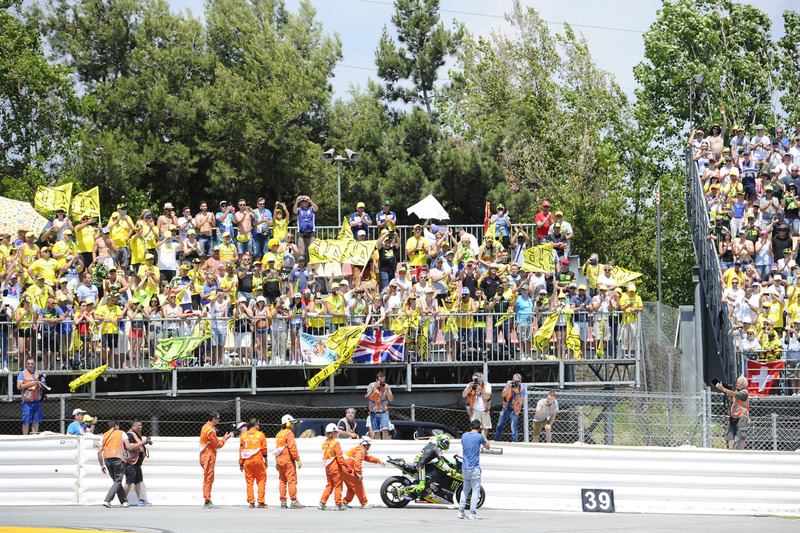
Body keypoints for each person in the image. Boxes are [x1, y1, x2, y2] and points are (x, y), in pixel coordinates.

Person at [401, 433, 455, 500]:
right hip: (420, 464)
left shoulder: (433, 446)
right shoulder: (437, 449)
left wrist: (452, 463)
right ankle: (402, 490)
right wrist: (451, 470)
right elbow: (441, 463)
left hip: (421, 463)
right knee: (421, 486)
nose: (447, 445)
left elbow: (442, 459)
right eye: (446, 443)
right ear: (441, 441)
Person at [199, 411, 233, 508]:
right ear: (214, 419)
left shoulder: (205, 427)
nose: (219, 421)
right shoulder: (210, 430)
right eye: (218, 419)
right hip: (208, 456)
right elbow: (217, 444)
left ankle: (207, 499)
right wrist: (225, 438)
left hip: (204, 455)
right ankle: (207, 500)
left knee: (208, 478)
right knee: (208, 479)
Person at [98, 420, 134, 508]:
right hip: (117, 458)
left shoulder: (104, 435)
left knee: (116, 481)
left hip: (107, 459)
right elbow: (128, 447)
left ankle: (124, 501)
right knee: (118, 481)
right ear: (117, 425)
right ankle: (107, 500)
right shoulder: (122, 433)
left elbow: (99, 452)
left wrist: (101, 465)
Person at [458, 419, 489, 520]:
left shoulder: (464, 436)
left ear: (470, 427)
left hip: (465, 466)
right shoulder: (479, 436)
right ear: (479, 428)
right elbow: (488, 447)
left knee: (465, 489)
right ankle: (472, 512)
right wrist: (483, 434)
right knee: (476, 490)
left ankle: (461, 511)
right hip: (474, 467)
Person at [342, 436, 385, 509]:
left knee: (351, 488)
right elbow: (357, 462)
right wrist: (359, 473)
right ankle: (364, 503)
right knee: (358, 485)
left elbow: (368, 458)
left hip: (344, 468)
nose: (370, 446)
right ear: (366, 444)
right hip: (347, 468)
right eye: (369, 445)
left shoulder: (361, 449)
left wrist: (378, 461)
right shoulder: (360, 451)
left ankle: (344, 503)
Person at [318, 423, 351, 511]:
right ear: (332, 433)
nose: (337, 434)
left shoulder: (324, 444)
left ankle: (322, 503)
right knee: (338, 486)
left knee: (329, 485)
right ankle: (338, 504)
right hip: (335, 468)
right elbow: (340, 458)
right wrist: (347, 466)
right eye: (336, 432)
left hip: (327, 468)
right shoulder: (335, 443)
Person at [274, 414, 304, 508]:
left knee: (282, 481)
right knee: (291, 480)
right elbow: (292, 447)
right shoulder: (289, 433)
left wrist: (277, 462)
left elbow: (278, 449)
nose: (293, 425)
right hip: (287, 460)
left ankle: (283, 501)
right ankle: (294, 501)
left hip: (279, 460)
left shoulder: (279, 434)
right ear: (287, 424)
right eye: (292, 423)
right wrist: (297, 459)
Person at [239, 418, 269, 508]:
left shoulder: (243, 436)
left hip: (247, 461)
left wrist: (241, 464)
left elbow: (241, 451)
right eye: (258, 424)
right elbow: (264, 449)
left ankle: (251, 502)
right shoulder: (260, 435)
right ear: (255, 425)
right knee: (261, 481)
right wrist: (266, 460)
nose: (259, 426)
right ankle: (260, 502)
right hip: (258, 460)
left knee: (249, 482)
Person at [123, 418, 152, 506]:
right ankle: (123, 499)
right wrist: (142, 442)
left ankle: (141, 500)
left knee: (138, 481)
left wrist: (145, 442)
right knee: (129, 482)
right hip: (131, 462)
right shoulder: (130, 435)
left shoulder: (138, 435)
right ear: (133, 426)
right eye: (138, 425)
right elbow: (131, 447)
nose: (140, 427)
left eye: (141, 425)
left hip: (137, 462)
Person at [716, 376, 749, 450]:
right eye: (738, 383)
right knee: (730, 434)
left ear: (744, 385)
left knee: (742, 435)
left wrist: (723, 389)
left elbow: (736, 395)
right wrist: (728, 393)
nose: (739, 384)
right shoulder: (735, 392)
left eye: (741, 383)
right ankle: (730, 450)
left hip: (741, 416)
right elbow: (732, 401)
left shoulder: (744, 393)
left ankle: (741, 451)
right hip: (733, 416)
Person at [17, 357, 45, 435]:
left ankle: (34, 436)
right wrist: (31, 384)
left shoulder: (39, 373)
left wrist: (40, 384)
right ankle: (25, 437)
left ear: (34, 364)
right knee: (26, 421)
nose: (30, 365)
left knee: (36, 420)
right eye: (28, 363)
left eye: (32, 363)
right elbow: (19, 386)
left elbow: (44, 384)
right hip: (27, 402)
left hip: (37, 401)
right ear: (26, 364)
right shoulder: (22, 374)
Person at [494, 374, 525, 442]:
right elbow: (503, 394)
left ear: (520, 382)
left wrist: (517, 393)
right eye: (514, 381)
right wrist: (509, 388)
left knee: (513, 429)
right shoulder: (508, 384)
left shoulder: (522, 388)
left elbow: (521, 402)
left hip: (514, 410)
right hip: (506, 408)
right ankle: (496, 441)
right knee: (499, 426)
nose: (515, 383)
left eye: (517, 381)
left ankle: (515, 443)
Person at [462, 372, 491, 439]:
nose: (477, 382)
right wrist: (469, 388)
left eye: (478, 380)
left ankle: (483, 441)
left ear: (482, 379)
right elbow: (463, 395)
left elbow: (488, 396)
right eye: (475, 380)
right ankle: (475, 439)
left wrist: (481, 390)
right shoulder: (471, 385)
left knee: (485, 427)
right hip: (474, 409)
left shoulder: (487, 385)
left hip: (485, 409)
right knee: (475, 427)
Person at [365, 371, 394, 440]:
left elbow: (391, 399)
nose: (382, 382)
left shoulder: (386, 386)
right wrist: (374, 388)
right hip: (374, 411)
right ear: (377, 380)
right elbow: (367, 396)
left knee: (385, 429)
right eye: (380, 380)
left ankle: (385, 444)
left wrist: (387, 391)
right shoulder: (371, 385)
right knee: (376, 431)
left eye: (383, 380)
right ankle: (378, 445)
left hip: (383, 411)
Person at [293, 195, 318, 263]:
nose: (304, 202)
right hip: (301, 233)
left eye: (305, 201)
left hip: (311, 232)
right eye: (303, 201)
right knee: (302, 251)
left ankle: (312, 267)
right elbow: (294, 211)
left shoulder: (311, 209)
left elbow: (316, 208)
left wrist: (310, 201)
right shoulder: (299, 209)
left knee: (312, 250)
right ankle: (302, 266)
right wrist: (296, 202)